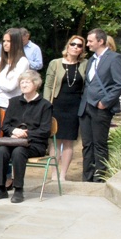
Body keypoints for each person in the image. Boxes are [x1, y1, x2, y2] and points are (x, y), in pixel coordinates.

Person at [0, 70, 53, 203]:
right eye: (22, 82)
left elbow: (45, 131)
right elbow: (5, 126)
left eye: (27, 82)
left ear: (36, 84)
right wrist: (14, 131)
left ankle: (18, 189)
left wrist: (25, 134)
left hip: (35, 144)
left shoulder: (45, 105)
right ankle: (1, 188)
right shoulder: (14, 102)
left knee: (19, 152)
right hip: (13, 141)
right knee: (1, 151)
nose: (23, 85)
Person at [78, 29, 121, 182]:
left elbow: (120, 83)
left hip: (101, 108)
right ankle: (87, 178)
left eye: (90, 41)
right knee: (87, 144)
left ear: (101, 41)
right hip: (86, 106)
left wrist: (105, 102)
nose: (88, 44)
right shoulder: (91, 60)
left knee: (99, 144)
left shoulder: (114, 58)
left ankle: (99, 178)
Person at [43, 36, 87, 181]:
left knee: (69, 141)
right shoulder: (55, 63)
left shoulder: (84, 64)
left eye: (79, 45)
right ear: (67, 46)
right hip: (57, 104)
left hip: (75, 105)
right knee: (55, 141)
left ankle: (63, 174)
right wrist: (46, 105)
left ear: (82, 49)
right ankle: (54, 173)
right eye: (73, 44)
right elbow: (48, 85)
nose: (75, 47)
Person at [0, 28, 31, 109]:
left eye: (8, 41)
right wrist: (3, 84)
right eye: (4, 41)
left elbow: (11, 87)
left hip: (12, 106)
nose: (5, 44)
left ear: (16, 43)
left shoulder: (22, 62)